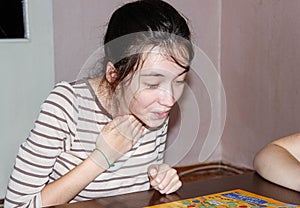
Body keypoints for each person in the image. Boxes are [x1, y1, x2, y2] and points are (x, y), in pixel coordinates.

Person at [5, 0, 194, 207]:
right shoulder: (66, 106)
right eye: (152, 84)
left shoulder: (155, 110)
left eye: (179, 81)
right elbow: (17, 205)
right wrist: (102, 158)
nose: (169, 100)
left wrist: (156, 176)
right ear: (114, 74)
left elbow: (132, 190)